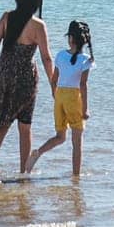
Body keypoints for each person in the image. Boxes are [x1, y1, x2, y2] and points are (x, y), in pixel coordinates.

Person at [0, 0, 54, 176]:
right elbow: (46, 57)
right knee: (25, 125)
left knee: (3, 123)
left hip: (3, 73)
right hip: (25, 78)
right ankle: (23, 171)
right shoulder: (38, 25)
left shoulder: (6, 17)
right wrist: (54, 83)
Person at [27, 20, 93, 177]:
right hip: (73, 98)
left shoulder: (60, 55)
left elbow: (54, 79)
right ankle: (76, 176)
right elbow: (83, 85)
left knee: (60, 136)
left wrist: (54, 93)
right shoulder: (86, 60)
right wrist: (85, 109)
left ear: (70, 38)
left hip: (60, 96)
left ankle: (38, 152)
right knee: (76, 142)